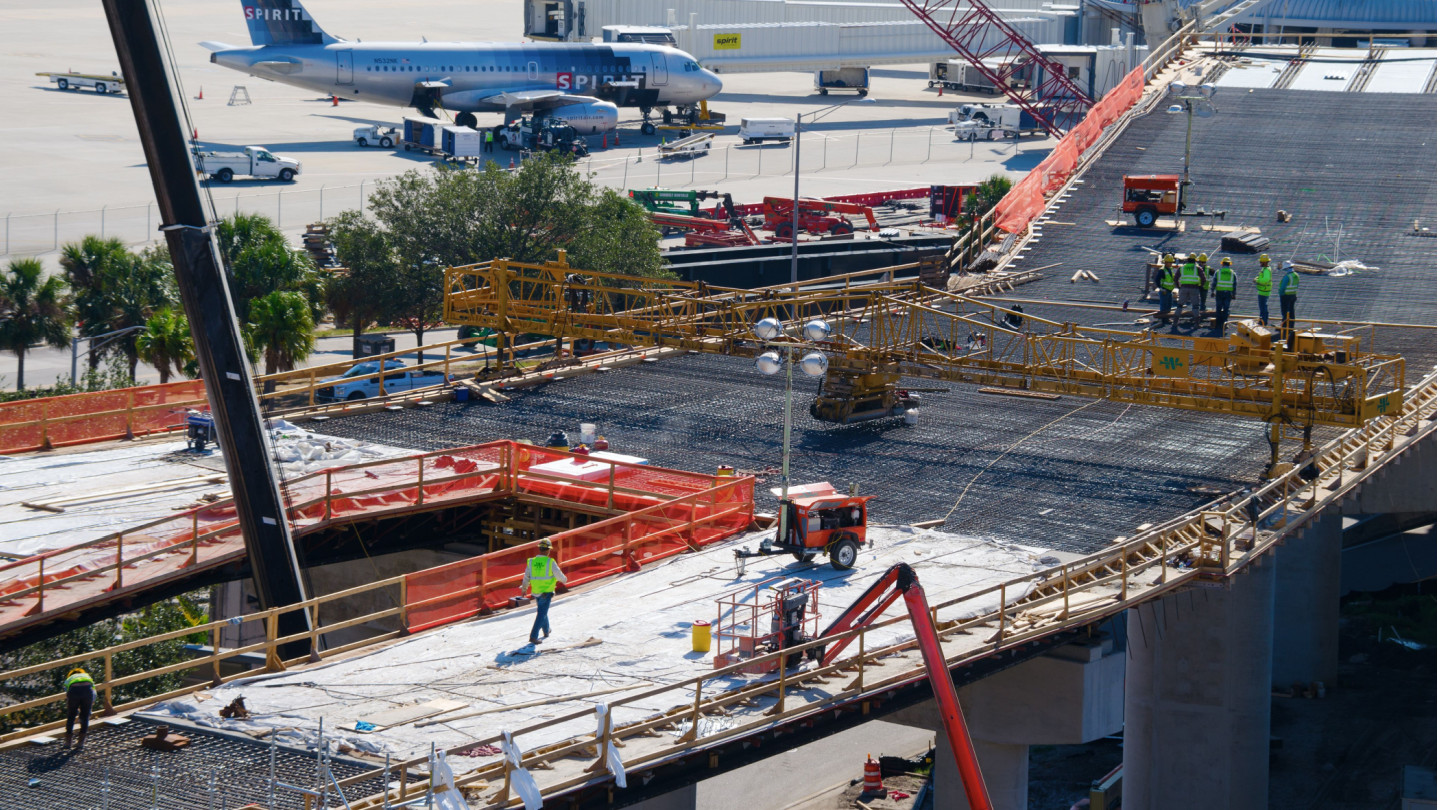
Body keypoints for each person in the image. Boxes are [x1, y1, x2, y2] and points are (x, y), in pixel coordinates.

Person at [521, 538, 567, 644]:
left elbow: (526, 577)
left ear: (540, 549)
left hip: (536, 591)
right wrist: (564, 580)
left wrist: (524, 589)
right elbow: (559, 575)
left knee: (542, 611)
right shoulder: (550, 562)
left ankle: (546, 630)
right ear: (548, 550)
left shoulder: (532, 561)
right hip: (546, 592)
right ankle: (533, 636)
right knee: (541, 613)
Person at [63, 667, 95, 748]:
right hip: (87, 691)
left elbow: (67, 694)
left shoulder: (69, 678)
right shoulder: (87, 676)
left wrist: (71, 706)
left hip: (74, 691)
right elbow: (94, 692)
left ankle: (68, 742)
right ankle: (81, 742)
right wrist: (89, 706)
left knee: (71, 716)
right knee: (85, 716)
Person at [1176, 253, 1203, 326]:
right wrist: (1200, 286)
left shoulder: (1182, 268)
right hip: (1194, 288)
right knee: (1195, 306)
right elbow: (1203, 279)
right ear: (1195, 260)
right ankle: (1196, 323)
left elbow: (1175, 278)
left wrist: (1179, 287)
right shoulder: (1198, 268)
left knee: (1179, 305)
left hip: (1184, 288)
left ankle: (1175, 322)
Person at [1278, 260, 1300, 346]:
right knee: (1292, 311)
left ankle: (1284, 326)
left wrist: (1281, 294)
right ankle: (1291, 326)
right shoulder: (1296, 275)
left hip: (1285, 296)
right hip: (1293, 295)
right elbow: (1297, 285)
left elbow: (1283, 287)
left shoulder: (1287, 277)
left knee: (1285, 312)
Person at [1212, 256, 1236, 329]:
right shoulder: (1232, 273)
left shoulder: (1218, 272)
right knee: (1226, 308)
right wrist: (1234, 294)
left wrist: (1212, 291)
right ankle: (1225, 324)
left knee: (1218, 308)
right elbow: (1234, 284)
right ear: (1229, 264)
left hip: (1219, 292)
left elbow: (1214, 282)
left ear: (1222, 264)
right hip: (1228, 293)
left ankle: (1218, 324)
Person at [1154, 254, 1176, 323]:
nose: (1171, 264)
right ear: (1165, 262)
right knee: (1164, 305)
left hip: (1169, 290)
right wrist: (1160, 288)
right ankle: (1163, 319)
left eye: (1172, 262)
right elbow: (1157, 279)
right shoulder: (1162, 270)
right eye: (1170, 262)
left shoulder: (1170, 269)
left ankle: (1167, 318)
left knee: (1169, 305)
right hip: (1164, 290)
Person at [1254, 254, 1273, 326]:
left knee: (1263, 307)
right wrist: (1257, 279)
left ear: (1264, 262)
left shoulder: (1266, 270)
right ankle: (1262, 320)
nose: (1260, 263)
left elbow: (1265, 280)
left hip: (1264, 291)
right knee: (1262, 307)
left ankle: (1263, 321)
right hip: (1263, 291)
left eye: (1261, 262)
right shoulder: (1264, 269)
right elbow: (1261, 277)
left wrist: (1257, 281)